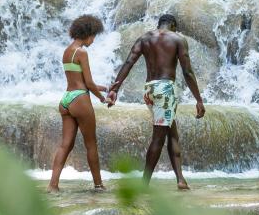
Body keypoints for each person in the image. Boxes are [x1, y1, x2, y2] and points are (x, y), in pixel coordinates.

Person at [106, 14, 205, 189]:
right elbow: (187, 71)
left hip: (149, 90)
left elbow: (129, 61)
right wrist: (198, 99)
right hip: (165, 89)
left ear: (159, 24)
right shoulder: (177, 39)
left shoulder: (145, 38)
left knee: (171, 133)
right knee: (158, 138)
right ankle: (144, 184)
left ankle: (180, 179)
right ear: (173, 25)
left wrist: (115, 88)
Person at [47, 15, 111, 193]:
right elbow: (88, 84)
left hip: (67, 99)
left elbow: (78, 80)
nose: (93, 40)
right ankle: (98, 185)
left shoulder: (67, 51)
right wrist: (102, 98)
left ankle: (52, 185)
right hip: (80, 100)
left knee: (65, 144)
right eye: (94, 36)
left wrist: (104, 88)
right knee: (91, 144)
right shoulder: (82, 52)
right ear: (88, 33)